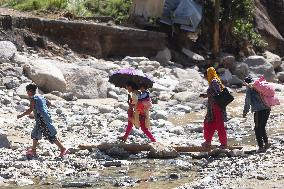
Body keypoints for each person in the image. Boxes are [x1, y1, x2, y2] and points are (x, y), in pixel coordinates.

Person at [17, 84, 69, 157]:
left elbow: (30, 110)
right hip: (43, 119)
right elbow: (49, 103)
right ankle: (33, 151)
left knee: (50, 135)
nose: (27, 93)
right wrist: (43, 111)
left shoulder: (33, 98)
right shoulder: (41, 96)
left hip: (42, 120)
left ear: (30, 91)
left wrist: (21, 115)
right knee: (35, 133)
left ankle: (63, 149)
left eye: (27, 91)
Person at [201, 67, 227, 149]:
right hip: (212, 107)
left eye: (205, 76)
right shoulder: (213, 81)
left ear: (208, 74)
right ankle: (208, 141)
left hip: (217, 107)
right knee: (208, 123)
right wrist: (206, 95)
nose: (205, 78)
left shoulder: (214, 81)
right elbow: (214, 93)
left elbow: (218, 93)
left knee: (219, 125)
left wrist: (208, 95)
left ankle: (223, 144)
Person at [243, 76, 271, 153]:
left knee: (257, 128)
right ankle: (266, 143)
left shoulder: (250, 89)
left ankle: (261, 146)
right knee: (262, 126)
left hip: (259, 110)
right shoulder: (259, 86)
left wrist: (245, 112)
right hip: (268, 108)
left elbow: (247, 102)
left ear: (246, 83)